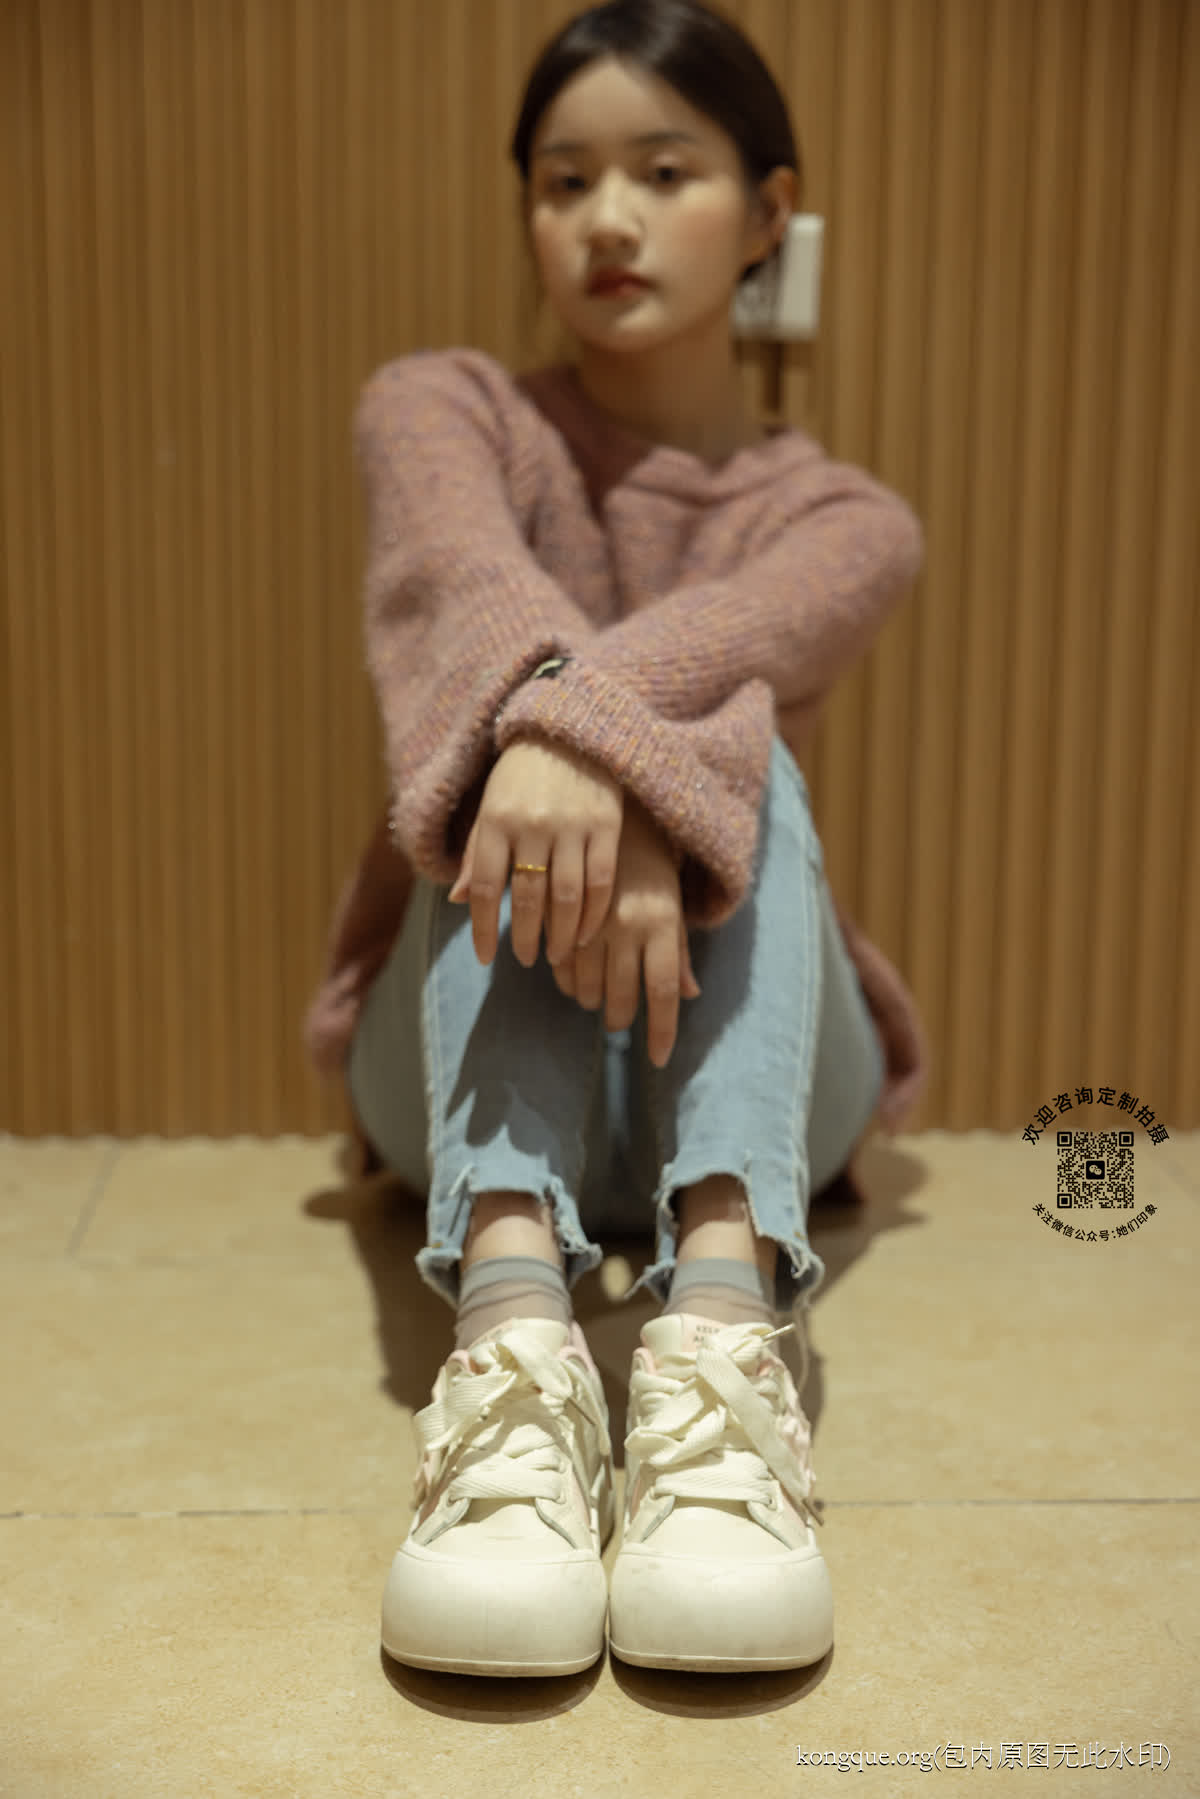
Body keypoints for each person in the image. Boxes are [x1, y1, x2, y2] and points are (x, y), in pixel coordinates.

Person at [303, 0, 928, 1678]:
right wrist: (563, 745)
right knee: (498, 732)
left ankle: (719, 1341)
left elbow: (711, 664)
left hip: (756, 1087)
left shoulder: (844, 521)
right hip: (455, 1074)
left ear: (769, 211)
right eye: (565, 180)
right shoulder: (439, 410)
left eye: (664, 171)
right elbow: (463, 599)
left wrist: (618, 761)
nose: (609, 219)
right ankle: (511, 1345)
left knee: (732, 742)